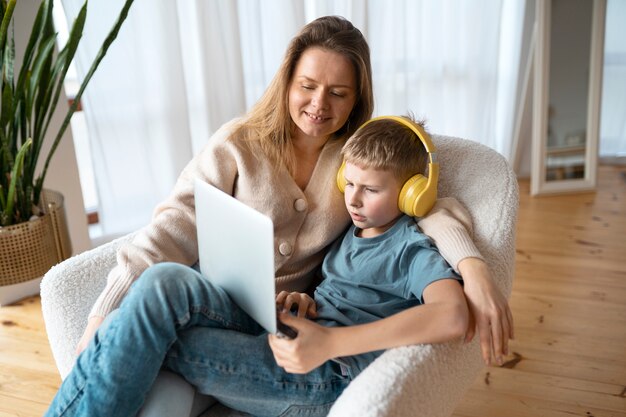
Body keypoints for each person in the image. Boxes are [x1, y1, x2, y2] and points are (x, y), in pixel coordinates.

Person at [69, 14, 511, 414]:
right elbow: (170, 227)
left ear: (357, 99)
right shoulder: (238, 143)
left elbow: (424, 210)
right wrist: (101, 315)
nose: (320, 104)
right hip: (223, 301)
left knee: (142, 341)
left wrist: (473, 268)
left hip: (286, 322)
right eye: (307, 86)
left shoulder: (356, 158)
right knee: (163, 282)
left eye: (338, 93)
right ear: (287, 81)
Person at [45, 115, 470, 417]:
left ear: (414, 194)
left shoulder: (409, 249)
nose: (354, 200)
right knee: (164, 283)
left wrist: (330, 343)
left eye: (371, 190)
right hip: (289, 338)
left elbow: (452, 314)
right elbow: (344, 294)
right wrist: (305, 301)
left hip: (324, 378)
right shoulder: (354, 230)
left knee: (147, 335)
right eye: (350, 184)